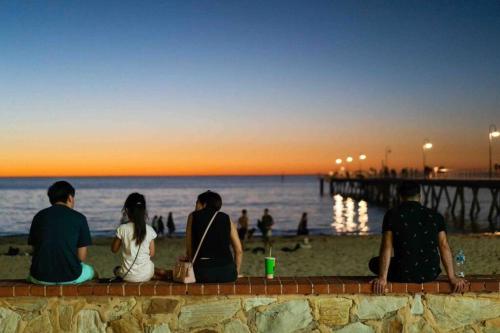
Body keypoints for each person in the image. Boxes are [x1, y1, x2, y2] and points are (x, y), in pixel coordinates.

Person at [370, 181, 468, 294]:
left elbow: (387, 247)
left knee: (373, 263)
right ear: (420, 196)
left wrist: (383, 278)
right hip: (430, 273)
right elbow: (444, 245)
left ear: (400, 196)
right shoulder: (435, 216)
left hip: (403, 273)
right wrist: (452, 277)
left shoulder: (392, 214)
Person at [27, 181, 95, 285]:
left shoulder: (39, 216)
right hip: (71, 276)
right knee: (91, 272)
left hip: (39, 277)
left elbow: (34, 250)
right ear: (70, 198)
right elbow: (81, 257)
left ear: (51, 199)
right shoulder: (79, 218)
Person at [185, 191, 243, 283]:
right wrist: (235, 273)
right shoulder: (226, 218)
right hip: (228, 273)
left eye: (197, 203)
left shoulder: (193, 216)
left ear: (204, 204)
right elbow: (239, 250)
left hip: (202, 274)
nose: (195, 206)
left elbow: (189, 250)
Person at [111, 193, 166, 282]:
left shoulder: (122, 229)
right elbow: (152, 253)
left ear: (127, 210)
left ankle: (155, 273)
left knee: (116, 269)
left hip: (127, 276)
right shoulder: (149, 230)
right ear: (144, 211)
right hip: (147, 274)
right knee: (149, 267)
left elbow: (114, 249)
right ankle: (156, 273)